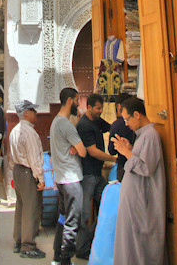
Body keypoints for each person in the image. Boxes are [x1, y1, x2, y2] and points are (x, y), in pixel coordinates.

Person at [112, 97, 166, 265]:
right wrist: (129, 149)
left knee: (139, 246)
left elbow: (146, 167)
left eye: (127, 119)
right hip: (134, 201)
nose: (126, 124)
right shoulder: (142, 136)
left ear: (137, 115)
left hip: (142, 202)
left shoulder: (151, 135)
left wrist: (126, 153)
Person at [75, 93, 117, 260]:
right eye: (98, 108)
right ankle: (82, 248)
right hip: (87, 175)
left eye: (102, 108)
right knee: (85, 215)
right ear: (89, 107)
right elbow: (92, 151)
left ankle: (94, 241)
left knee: (108, 206)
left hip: (97, 174)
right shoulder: (84, 125)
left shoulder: (97, 120)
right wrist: (113, 158)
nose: (100, 111)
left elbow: (111, 128)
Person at [50, 88, 86, 265]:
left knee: (63, 219)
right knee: (72, 221)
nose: (79, 104)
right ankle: (65, 259)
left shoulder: (56, 122)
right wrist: (77, 148)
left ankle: (58, 256)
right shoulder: (65, 124)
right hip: (71, 180)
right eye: (78, 100)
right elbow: (83, 151)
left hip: (62, 179)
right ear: (70, 101)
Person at [9, 99, 46, 259]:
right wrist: (40, 178)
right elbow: (34, 158)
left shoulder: (15, 130)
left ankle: (18, 240)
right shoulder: (29, 132)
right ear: (26, 113)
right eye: (33, 110)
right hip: (27, 171)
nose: (35, 113)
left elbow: (12, 157)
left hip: (18, 170)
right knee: (31, 208)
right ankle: (28, 245)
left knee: (21, 207)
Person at [108, 93, 135, 181]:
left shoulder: (116, 125)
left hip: (123, 166)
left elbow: (111, 150)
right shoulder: (138, 124)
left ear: (119, 106)